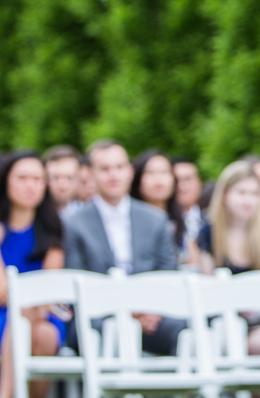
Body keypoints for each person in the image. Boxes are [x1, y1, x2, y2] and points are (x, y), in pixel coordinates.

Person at [0, 152, 66, 398]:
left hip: (42, 314)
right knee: (32, 325)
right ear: (6, 183)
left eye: (37, 179)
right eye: (22, 178)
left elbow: (49, 289)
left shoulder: (53, 230)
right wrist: (29, 297)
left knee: (44, 331)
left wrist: (30, 298)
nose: (30, 185)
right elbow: (2, 292)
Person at [194, 160, 260, 398]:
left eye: (254, 193)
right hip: (223, 318)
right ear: (225, 195)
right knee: (227, 341)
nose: (248, 200)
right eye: (241, 193)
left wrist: (254, 304)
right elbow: (207, 288)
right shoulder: (209, 232)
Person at [63, 140, 182, 355]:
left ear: (130, 171)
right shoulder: (73, 223)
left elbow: (168, 273)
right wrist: (126, 311)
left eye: (119, 167)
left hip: (151, 314)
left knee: (185, 329)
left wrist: (150, 310)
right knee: (94, 331)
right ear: (90, 174)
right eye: (105, 169)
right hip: (99, 317)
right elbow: (76, 280)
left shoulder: (155, 219)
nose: (113, 175)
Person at [131, 150, 186, 254]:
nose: (158, 178)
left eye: (164, 172)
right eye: (150, 172)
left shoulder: (183, 222)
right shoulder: (127, 223)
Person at [43, 145, 83, 218]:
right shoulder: (32, 215)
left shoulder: (88, 215)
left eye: (69, 178)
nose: (62, 184)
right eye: (55, 178)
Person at [173, 157, 205, 241]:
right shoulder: (161, 221)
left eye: (188, 179)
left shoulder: (212, 220)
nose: (182, 185)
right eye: (176, 180)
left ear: (199, 182)